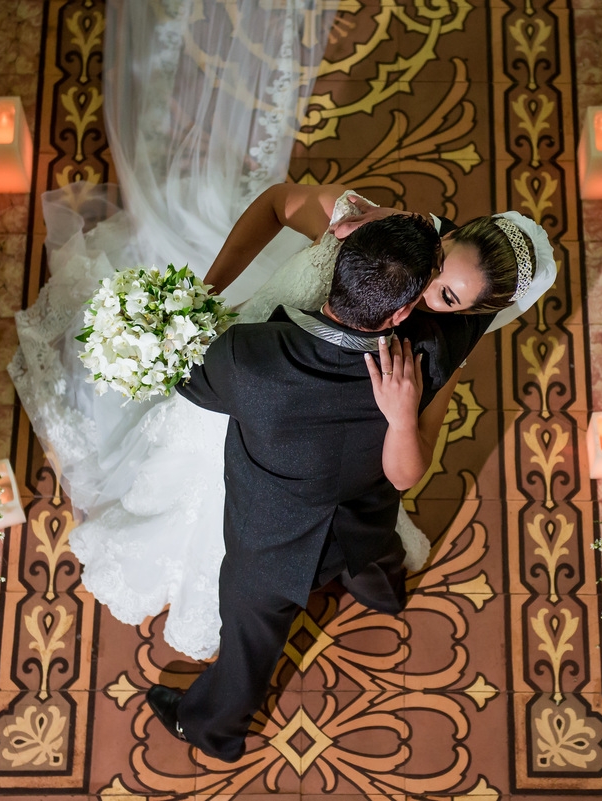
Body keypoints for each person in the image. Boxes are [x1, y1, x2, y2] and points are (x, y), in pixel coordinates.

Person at [8, 1, 558, 659]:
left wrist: (402, 416)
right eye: (436, 261)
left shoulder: (442, 346)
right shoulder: (367, 227)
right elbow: (274, 205)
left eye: (443, 295)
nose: (420, 285)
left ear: (466, 313)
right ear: (443, 233)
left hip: (298, 461)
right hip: (237, 363)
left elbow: (408, 469)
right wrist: (209, 289)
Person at [144, 213, 457, 763]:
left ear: (339, 266)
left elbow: (182, 377)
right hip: (366, 514)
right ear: (403, 312)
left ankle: (214, 731)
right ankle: (384, 595)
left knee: (250, 642)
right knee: (374, 557)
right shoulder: (424, 355)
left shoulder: (247, 355)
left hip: (269, 544)